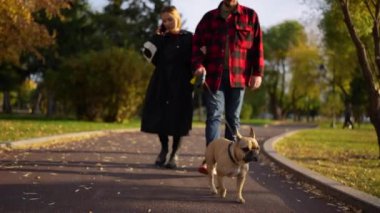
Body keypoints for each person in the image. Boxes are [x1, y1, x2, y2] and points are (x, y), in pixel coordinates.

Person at [191, 0, 264, 174]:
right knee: (214, 115)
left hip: (239, 77)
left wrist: (258, 73)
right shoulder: (209, 18)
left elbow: (257, 47)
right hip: (213, 76)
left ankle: (233, 160)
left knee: (233, 119)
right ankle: (211, 161)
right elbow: (196, 45)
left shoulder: (250, 16)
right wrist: (198, 66)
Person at [140, 6, 193, 169]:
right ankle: (164, 149)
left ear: (177, 17)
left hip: (181, 84)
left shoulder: (189, 38)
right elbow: (146, 53)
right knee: (159, 116)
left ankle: (174, 154)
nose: (167, 23)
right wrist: (156, 35)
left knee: (178, 118)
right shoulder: (161, 39)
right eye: (164, 20)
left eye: (170, 19)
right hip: (161, 82)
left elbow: (196, 59)